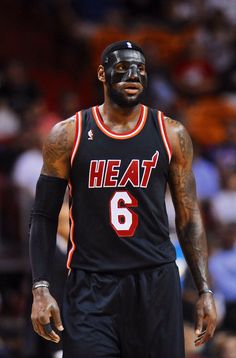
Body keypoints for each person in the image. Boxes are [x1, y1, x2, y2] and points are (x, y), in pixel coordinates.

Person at [29, 40, 217, 358]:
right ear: (102, 74)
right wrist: (41, 287)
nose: (133, 75)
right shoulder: (68, 134)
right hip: (91, 284)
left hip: (155, 282)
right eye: (122, 67)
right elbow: (43, 216)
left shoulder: (171, 133)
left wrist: (204, 289)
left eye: (140, 69)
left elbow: (189, 215)